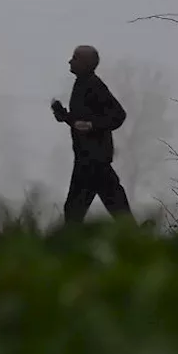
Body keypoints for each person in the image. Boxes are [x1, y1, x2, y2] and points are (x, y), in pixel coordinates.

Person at [50, 45, 132, 223]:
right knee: (113, 204)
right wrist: (64, 116)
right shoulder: (82, 83)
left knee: (75, 209)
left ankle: (71, 246)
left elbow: (118, 115)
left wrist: (93, 125)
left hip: (94, 160)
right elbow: (81, 122)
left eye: (75, 58)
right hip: (88, 158)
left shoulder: (95, 85)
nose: (70, 61)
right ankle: (137, 238)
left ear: (86, 64)